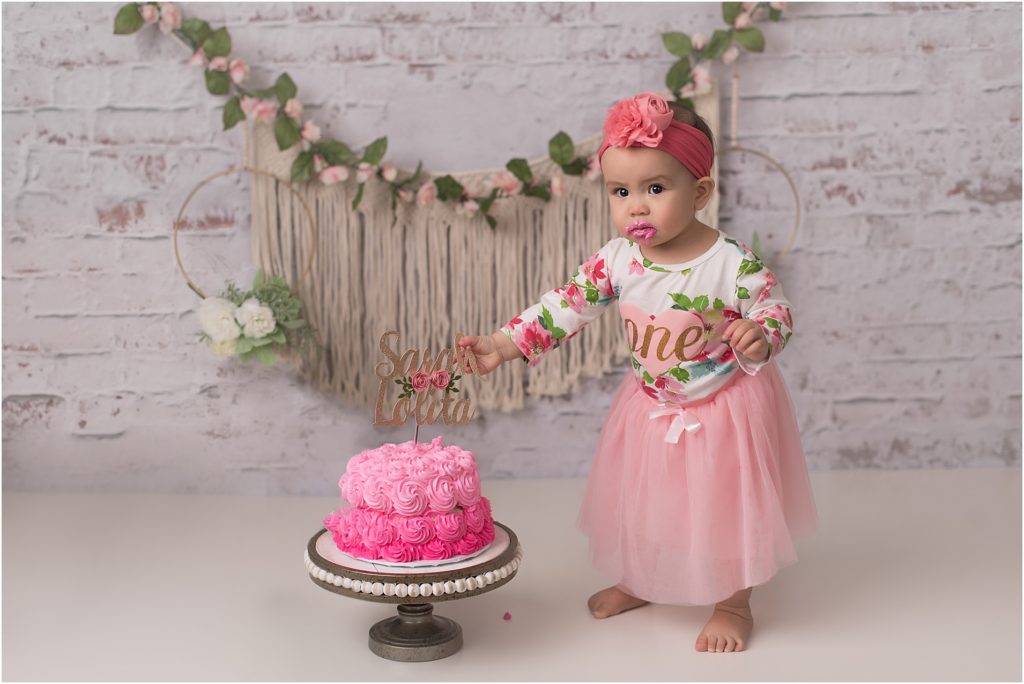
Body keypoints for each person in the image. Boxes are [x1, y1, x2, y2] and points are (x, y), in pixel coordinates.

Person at [458, 92, 817, 653]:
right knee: (649, 503)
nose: (637, 207)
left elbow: (776, 307)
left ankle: (732, 602)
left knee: (724, 507)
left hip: (721, 408)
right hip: (651, 406)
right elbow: (566, 305)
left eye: (656, 189)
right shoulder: (618, 259)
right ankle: (643, 578)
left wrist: (761, 331)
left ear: (700, 192)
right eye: (621, 192)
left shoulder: (729, 262)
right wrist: (505, 343)